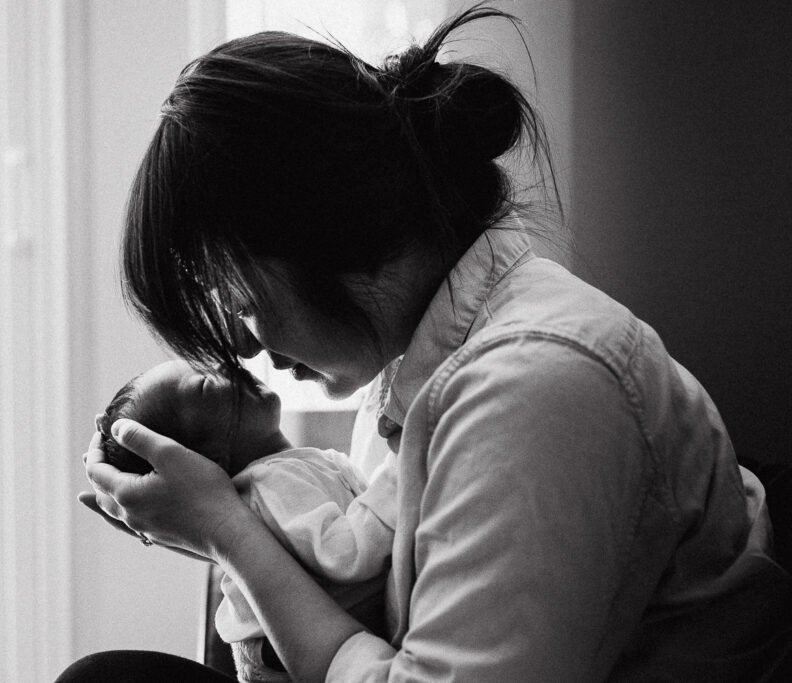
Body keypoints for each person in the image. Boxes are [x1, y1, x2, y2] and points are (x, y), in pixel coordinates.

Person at [61, 5, 792, 682]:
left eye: (234, 288)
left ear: (311, 231)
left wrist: (228, 529)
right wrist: (207, 514)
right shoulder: (409, 373)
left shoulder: (537, 390)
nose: (243, 335)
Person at [90, 359, 395, 682]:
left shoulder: (288, 470)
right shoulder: (274, 483)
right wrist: (401, 473)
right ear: (200, 462)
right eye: (205, 387)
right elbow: (344, 552)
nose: (227, 364)